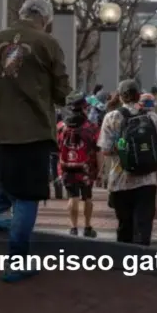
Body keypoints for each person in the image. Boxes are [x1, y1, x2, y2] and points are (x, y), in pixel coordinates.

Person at [0, 0, 70, 283]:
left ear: (21, 13)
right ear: (46, 19)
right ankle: (17, 259)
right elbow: (62, 90)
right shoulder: (47, 43)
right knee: (28, 195)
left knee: (5, 173)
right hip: (32, 129)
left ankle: (0, 213)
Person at [98, 79, 157, 246]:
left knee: (125, 225)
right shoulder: (152, 117)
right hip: (147, 180)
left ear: (120, 97)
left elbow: (105, 149)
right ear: (138, 95)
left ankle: (125, 260)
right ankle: (141, 262)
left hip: (120, 181)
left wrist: (122, 149)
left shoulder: (111, 117)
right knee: (143, 225)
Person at [57, 91, 101, 238]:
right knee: (87, 197)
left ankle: (73, 227)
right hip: (86, 168)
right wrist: (100, 169)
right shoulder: (91, 127)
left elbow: (56, 147)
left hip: (66, 166)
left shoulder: (61, 127)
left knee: (72, 196)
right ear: (84, 108)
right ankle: (87, 226)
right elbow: (98, 149)